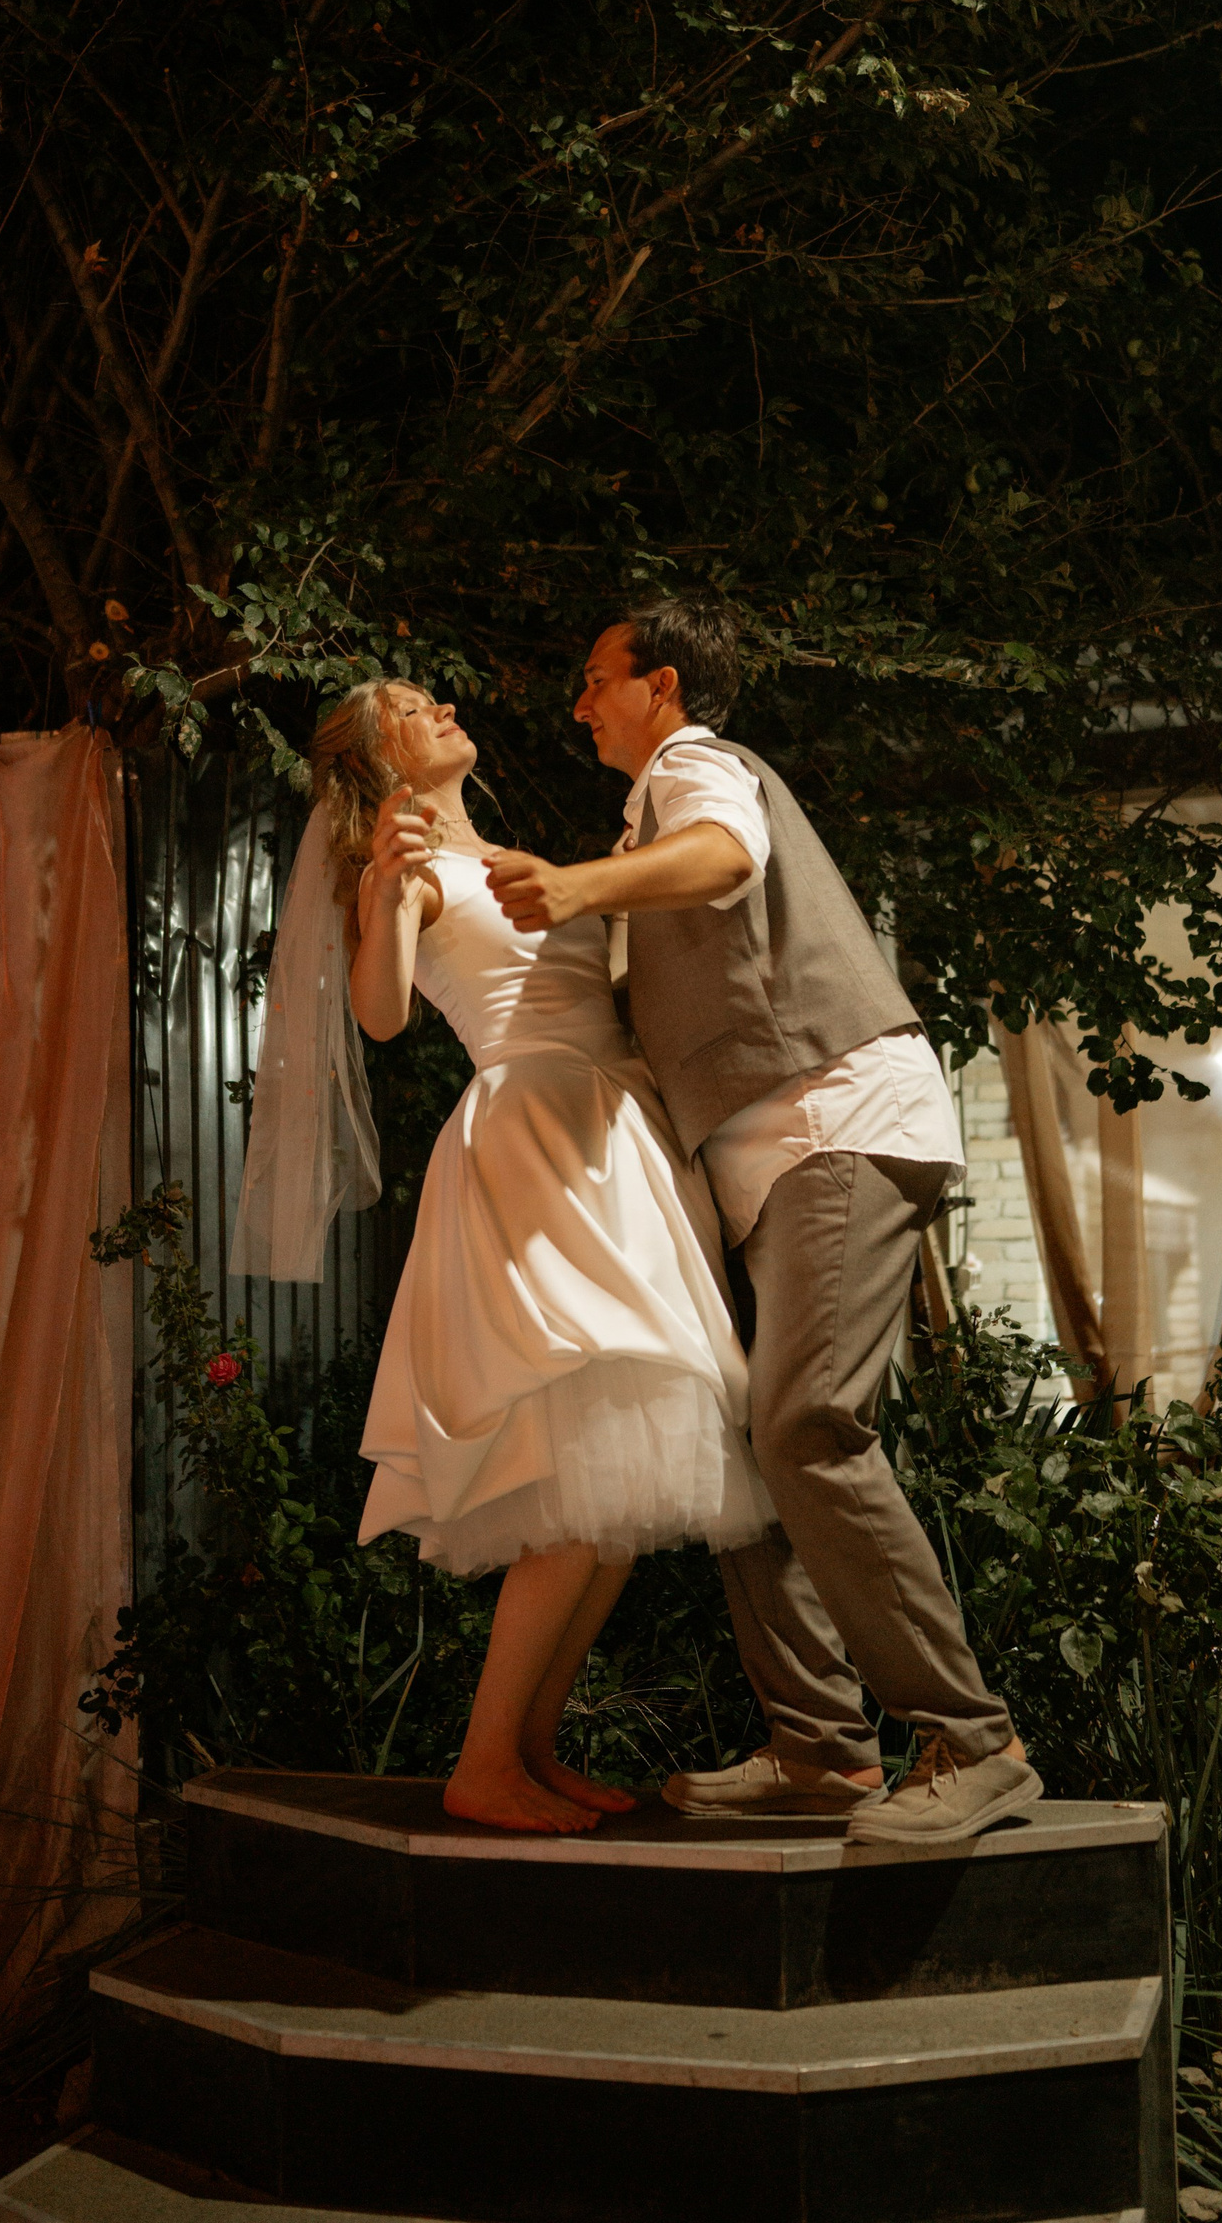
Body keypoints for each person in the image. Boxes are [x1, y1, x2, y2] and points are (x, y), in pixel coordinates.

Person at [489, 590, 1042, 1846]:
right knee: (748, 1446)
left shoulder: (699, 768)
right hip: (766, 1164)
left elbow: (729, 858)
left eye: (596, 678)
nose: (578, 705)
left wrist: (577, 889)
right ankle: (822, 1749)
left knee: (807, 1425)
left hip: (833, 1124)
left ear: (663, 687)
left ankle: (975, 1740)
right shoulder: (647, 813)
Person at [273, 677, 773, 1838]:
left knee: (618, 1488)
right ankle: (484, 1759)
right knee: (582, 1463)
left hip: (616, 1136)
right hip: (534, 1140)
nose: (441, 706)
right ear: (380, 761)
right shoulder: (405, 872)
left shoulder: (518, 856)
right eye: (411, 708)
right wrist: (384, 891)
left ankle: (531, 1749)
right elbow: (382, 1015)